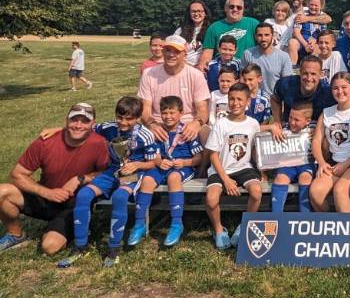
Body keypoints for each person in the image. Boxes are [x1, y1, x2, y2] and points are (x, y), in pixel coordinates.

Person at [56, 97, 158, 268]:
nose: (123, 122)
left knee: (119, 197)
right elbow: (85, 128)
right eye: (120, 117)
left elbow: (154, 162)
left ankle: (113, 248)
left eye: (129, 119)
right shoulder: (109, 127)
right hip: (111, 171)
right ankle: (80, 245)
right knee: (83, 194)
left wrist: (137, 164)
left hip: (134, 174)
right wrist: (57, 129)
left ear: (138, 117)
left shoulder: (146, 135)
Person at [0, 103, 109, 255]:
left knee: (49, 247)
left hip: (73, 205)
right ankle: (15, 235)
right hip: (43, 197)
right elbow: (17, 174)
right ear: (66, 121)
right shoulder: (45, 142)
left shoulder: (99, 143)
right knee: (2, 191)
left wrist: (80, 178)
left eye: (84, 121)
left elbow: (108, 174)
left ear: (93, 124)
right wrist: (47, 193)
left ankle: (70, 227)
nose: (78, 125)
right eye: (74, 120)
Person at [127, 96, 203, 248]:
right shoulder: (156, 132)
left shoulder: (188, 131)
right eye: (164, 113)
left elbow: (199, 158)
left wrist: (184, 162)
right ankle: (139, 224)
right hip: (161, 167)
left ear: (181, 113)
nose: (168, 117)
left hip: (183, 168)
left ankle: (176, 224)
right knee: (147, 181)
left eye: (172, 113)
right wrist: (159, 161)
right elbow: (152, 155)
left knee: (174, 177)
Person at [204, 83, 262, 250]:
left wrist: (262, 169)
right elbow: (213, 154)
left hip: (244, 167)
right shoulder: (221, 123)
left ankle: (244, 225)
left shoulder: (253, 123)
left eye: (239, 99)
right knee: (211, 199)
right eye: (231, 99)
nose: (235, 103)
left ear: (247, 102)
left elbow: (253, 150)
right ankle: (219, 229)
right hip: (220, 168)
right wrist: (226, 180)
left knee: (257, 192)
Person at [310, 72, 350, 213]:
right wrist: (322, 163)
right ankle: (332, 229)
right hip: (334, 164)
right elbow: (316, 140)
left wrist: (345, 164)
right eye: (335, 88)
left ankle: (348, 234)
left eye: (344, 87)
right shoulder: (326, 113)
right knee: (315, 193)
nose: (340, 91)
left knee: (340, 191)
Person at [138, 35, 209, 143]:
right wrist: (152, 124)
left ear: (185, 54)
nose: (171, 55)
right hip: (158, 122)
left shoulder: (196, 75)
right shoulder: (149, 73)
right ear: (163, 52)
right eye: (167, 50)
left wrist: (196, 124)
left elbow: (203, 110)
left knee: (206, 133)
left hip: (187, 123)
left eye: (176, 51)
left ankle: (204, 161)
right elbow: (145, 108)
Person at [264, 102, 316, 213]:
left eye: (297, 120)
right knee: (280, 178)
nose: (292, 122)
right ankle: (276, 217)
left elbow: (325, 130)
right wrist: (271, 127)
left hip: (306, 163)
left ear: (307, 121)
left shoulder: (313, 127)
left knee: (305, 177)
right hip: (287, 164)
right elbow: (254, 128)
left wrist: (317, 132)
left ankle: (305, 217)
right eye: (290, 118)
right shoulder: (283, 127)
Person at [198, 0, 259, 68]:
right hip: (223, 71)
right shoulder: (214, 27)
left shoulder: (253, 24)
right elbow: (207, 53)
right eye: (231, 6)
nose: (235, 9)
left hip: (248, 70)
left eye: (239, 7)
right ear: (225, 8)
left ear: (243, 9)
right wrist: (202, 69)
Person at [271, 55, 336, 125]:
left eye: (313, 74)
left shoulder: (328, 92)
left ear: (321, 75)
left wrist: (321, 128)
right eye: (305, 73)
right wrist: (277, 122)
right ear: (300, 72)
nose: (309, 78)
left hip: (316, 129)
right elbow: (275, 99)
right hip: (290, 127)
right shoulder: (286, 84)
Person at [242, 23, 293, 98]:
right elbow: (242, 79)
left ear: (272, 36)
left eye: (266, 35)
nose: (263, 39)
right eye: (260, 35)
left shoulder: (283, 56)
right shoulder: (248, 54)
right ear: (255, 37)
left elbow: (287, 83)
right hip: (251, 100)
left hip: (274, 101)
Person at [288, 0, 328, 65]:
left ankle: (314, 68)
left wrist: (315, 41)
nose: (313, 7)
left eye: (316, 5)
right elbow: (296, 33)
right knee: (292, 42)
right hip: (302, 41)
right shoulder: (301, 14)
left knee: (318, 46)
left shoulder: (323, 17)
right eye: (311, 4)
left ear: (321, 6)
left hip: (316, 42)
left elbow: (323, 34)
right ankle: (292, 67)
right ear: (308, 5)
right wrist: (306, 44)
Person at [175, 0, 212, 67]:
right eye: (193, 11)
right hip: (183, 67)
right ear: (189, 13)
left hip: (204, 69)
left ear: (205, 13)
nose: (196, 14)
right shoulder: (180, 31)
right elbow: (174, 50)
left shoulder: (211, 30)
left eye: (199, 11)